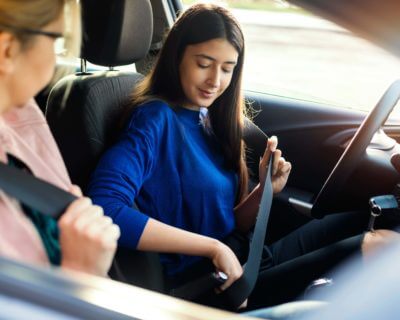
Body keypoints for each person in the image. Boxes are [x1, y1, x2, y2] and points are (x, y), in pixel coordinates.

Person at [88, 3, 399, 309]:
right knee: (379, 247)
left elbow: (225, 221)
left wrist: (266, 190)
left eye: (227, 68)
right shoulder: (155, 119)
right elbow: (105, 207)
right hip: (213, 284)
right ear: (176, 57)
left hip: (246, 256)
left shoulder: (207, 118)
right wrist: (212, 247)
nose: (215, 81)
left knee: (366, 217)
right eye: (203, 63)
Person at [0, 0, 120, 277]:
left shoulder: (20, 110)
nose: (56, 59)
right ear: (7, 51)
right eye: (56, 41)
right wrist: (81, 273)